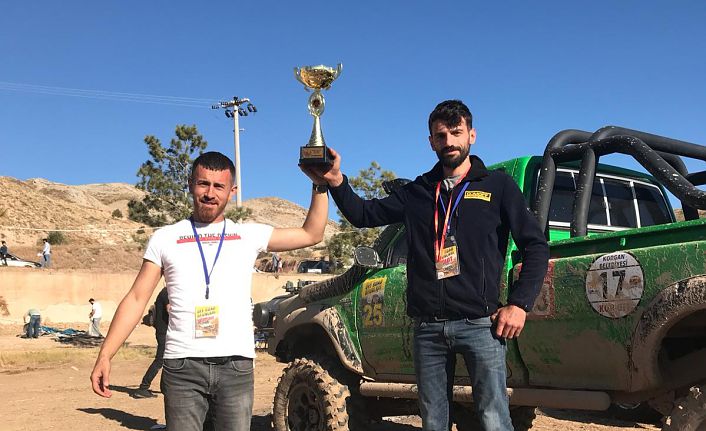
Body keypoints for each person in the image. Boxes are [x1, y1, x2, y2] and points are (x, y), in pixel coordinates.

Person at [311, 100, 549, 431]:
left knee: (493, 418)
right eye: (440, 135)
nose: (449, 141)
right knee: (434, 421)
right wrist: (336, 180)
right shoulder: (418, 192)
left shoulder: (497, 186)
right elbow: (364, 214)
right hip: (428, 329)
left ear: (472, 135)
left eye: (456, 132)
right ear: (431, 142)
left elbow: (536, 246)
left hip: (481, 324)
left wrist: (519, 304)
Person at [90, 151, 329, 431]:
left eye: (219, 186)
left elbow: (312, 233)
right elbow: (136, 298)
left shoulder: (247, 235)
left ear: (232, 191)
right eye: (203, 183)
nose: (210, 193)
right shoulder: (165, 238)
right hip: (182, 367)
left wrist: (319, 184)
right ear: (191, 184)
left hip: (236, 366)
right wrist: (105, 354)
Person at [133, 287, 169, 399]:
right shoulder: (167, 292)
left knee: (168, 360)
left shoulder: (166, 291)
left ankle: (165, 388)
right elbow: (170, 309)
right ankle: (143, 388)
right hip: (164, 333)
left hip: (165, 332)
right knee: (160, 360)